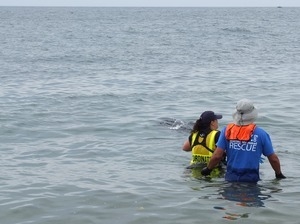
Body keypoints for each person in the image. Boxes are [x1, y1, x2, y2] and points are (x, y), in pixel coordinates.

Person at [201, 99, 286, 182]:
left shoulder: (227, 131)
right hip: (251, 178)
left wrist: (208, 169)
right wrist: (278, 174)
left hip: (231, 177)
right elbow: (273, 159)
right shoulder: (261, 134)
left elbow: (217, 156)